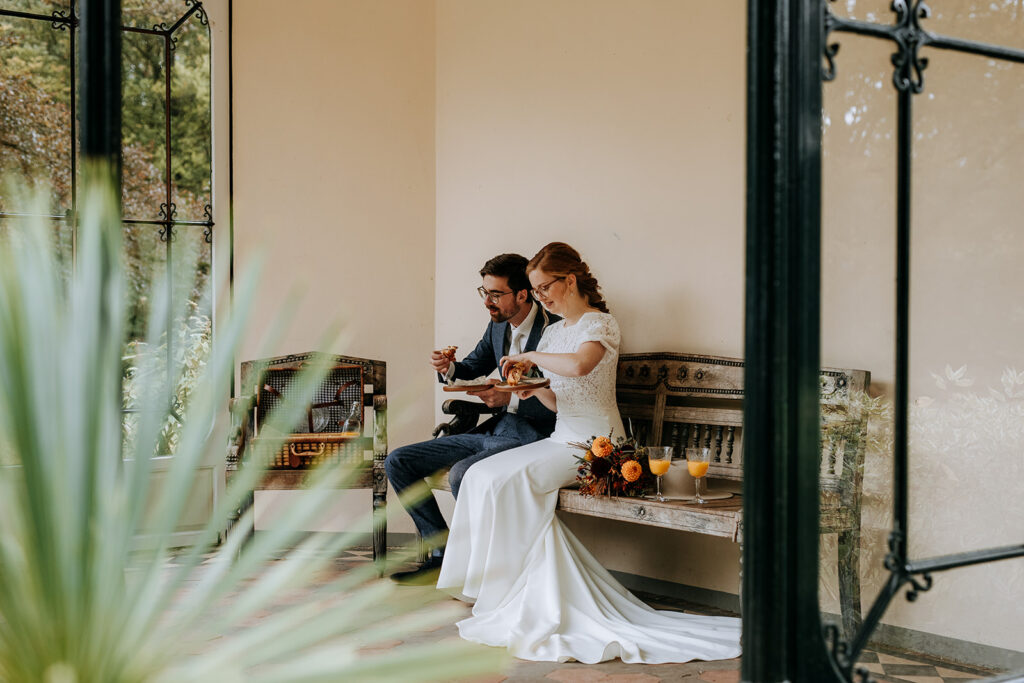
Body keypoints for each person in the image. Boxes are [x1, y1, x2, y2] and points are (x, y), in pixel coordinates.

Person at [436, 242, 742, 664]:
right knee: (481, 476)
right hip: (563, 436)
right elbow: (562, 401)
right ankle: (491, 588)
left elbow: (580, 367)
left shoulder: (601, 325)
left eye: (545, 286)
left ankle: (523, 595)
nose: (540, 295)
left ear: (570, 280)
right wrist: (532, 390)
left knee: (515, 481)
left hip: (599, 445)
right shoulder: (555, 330)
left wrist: (528, 356)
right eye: (536, 288)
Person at [385, 253, 560, 585]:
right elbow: (470, 368)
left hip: (534, 435)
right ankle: (441, 553)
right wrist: (447, 367)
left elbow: (562, 400)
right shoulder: (496, 327)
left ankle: (481, 569)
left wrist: (509, 396)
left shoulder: (554, 330)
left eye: (495, 294)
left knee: (463, 473)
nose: (488, 302)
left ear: (522, 294)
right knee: (398, 461)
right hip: (495, 428)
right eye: (484, 293)